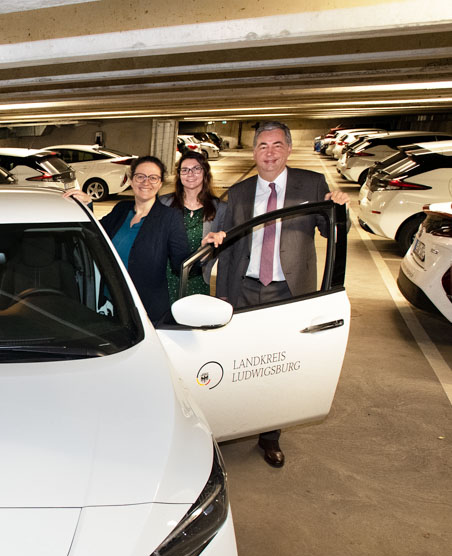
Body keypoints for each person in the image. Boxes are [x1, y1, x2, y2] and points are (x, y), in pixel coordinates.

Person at [203, 120, 349, 468]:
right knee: (238, 364)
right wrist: (223, 295)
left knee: (278, 367)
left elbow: (330, 232)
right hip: (244, 288)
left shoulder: (311, 184)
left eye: (276, 146)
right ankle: (233, 427)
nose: (269, 153)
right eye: (262, 146)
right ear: (254, 151)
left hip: (288, 291)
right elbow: (228, 248)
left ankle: (270, 437)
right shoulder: (239, 192)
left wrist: (339, 208)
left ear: (288, 149)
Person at [65, 156, 189, 323]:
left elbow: (181, 263)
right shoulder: (121, 209)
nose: (146, 182)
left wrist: (205, 250)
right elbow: (95, 233)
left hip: (147, 311)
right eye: (140, 176)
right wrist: (88, 204)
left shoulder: (170, 218)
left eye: (153, 177)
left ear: (160, 183)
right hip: (111, 305)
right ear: (131, 180)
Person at [159, 152, 228, 301]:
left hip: (198, 279)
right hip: (165, 280)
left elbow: (224, 252)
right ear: (179, 175)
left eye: (196, 169)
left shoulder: (220, 208)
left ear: (205, 173)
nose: (190, 174)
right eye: (185, 170)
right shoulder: (164, 203)